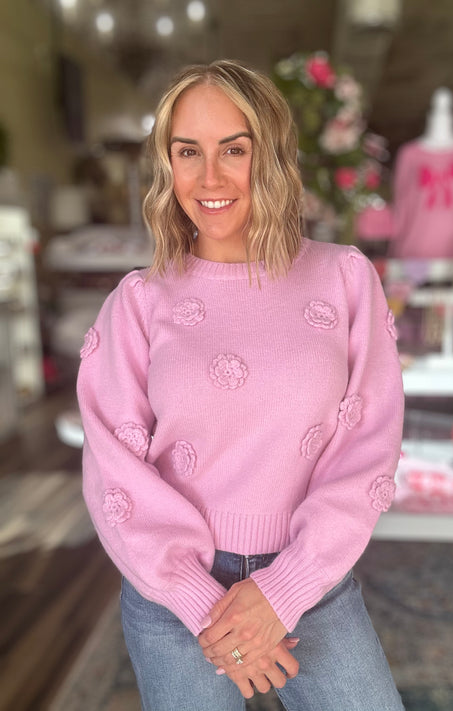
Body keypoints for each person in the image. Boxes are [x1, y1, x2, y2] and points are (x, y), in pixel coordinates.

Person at [77, 59, 405, 711]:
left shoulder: (344, 278)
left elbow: (368, 446)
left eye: (234, 149)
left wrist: (282, 591)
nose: (210, 177)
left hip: (310, 579)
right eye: (187, 152)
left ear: (272, 155)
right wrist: (203, 603)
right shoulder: (140, 300)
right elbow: (113, 467)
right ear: (167, 166)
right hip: (175, 596)